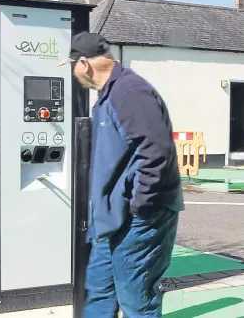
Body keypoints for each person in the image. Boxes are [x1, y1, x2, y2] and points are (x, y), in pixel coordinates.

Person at [58, 32, 184, 318]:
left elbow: (156, 152)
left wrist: (141, 206)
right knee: (100, 291)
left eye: (72, 67)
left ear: (83, 65)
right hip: (110, 220)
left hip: (137, 219)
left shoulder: (130, 92)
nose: (74, 75)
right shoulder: (107, 96)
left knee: (135, 298)